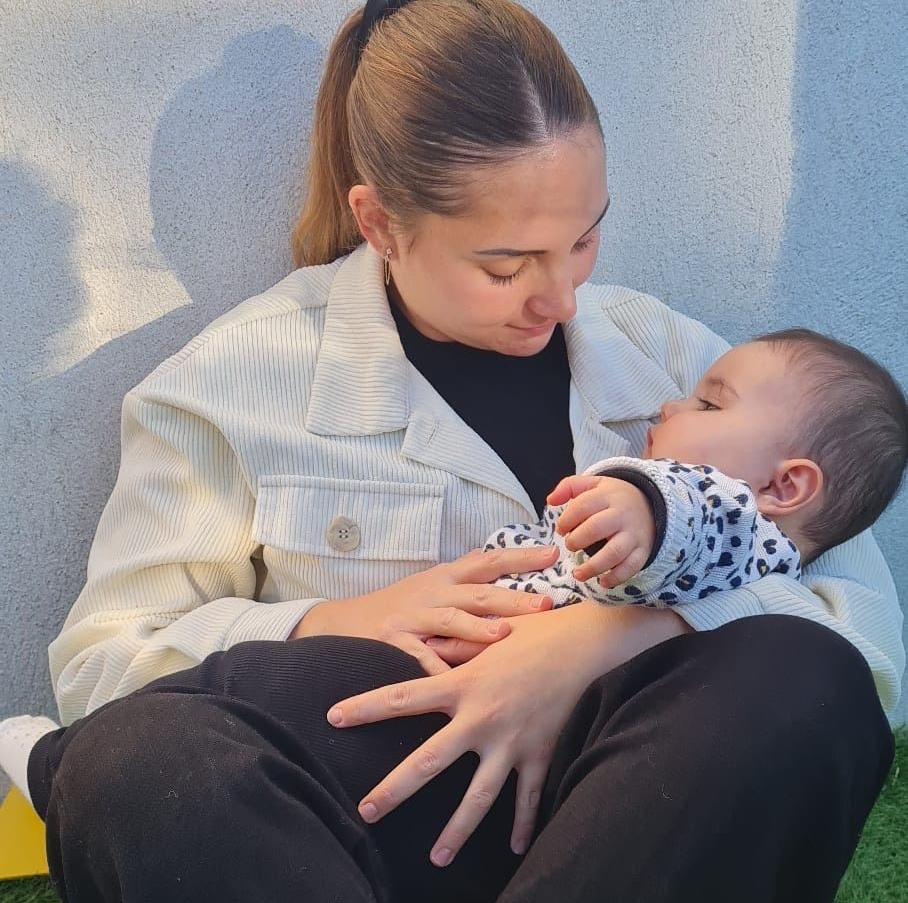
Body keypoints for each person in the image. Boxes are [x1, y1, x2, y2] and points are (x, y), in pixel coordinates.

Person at [0, 2, 903, 902]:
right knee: (131, 759)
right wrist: (339, 619)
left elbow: (865, 640)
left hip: (635, 830)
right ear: (381, 225)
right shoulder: (226, 385)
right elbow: (101, 669)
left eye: (584, 239)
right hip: (354, 842)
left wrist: (602, 639)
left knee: (803, 676)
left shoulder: (674, 356)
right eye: (505, 266)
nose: (561, 297)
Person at [484, 329, 908, 610]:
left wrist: (644, 509)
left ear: (782, 486)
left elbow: (688, 524)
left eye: (708, 404)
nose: (669, 407)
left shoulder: (744, 538)